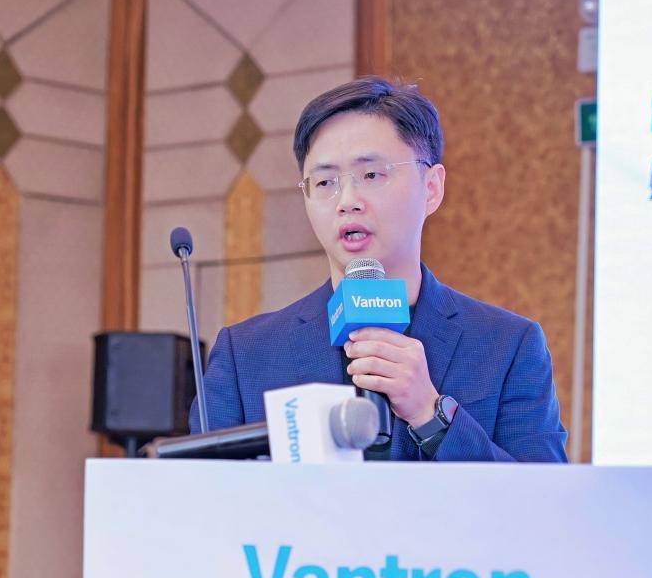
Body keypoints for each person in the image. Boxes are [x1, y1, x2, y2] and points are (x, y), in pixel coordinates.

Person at [190, 77, 567, 462]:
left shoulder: (508, 346)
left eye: (371, 175)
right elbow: (202, 495)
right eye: (325, 182)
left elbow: (543, 498)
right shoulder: (246, 355)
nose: (347, 201)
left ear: (432, 188)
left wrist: (431, 414)